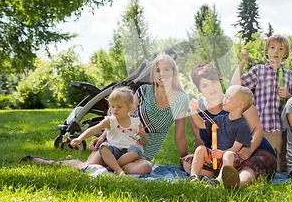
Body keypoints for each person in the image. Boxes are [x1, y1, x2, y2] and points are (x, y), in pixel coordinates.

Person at [21, 53, 189, 175]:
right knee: (84, 166)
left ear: (173, 72)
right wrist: (102, 138)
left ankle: (109, 169)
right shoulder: (144, 91)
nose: (162, 74)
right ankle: (44, 161)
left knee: (144, 168)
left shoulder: (180, 99)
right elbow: (118, 116)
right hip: (115, 143)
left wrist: (183, 160)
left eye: (166, 70)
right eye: (158, 70)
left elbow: (180, 135)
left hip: (138, 153)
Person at [181, 63, 277, 188]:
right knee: (188, 161)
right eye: (205, 85)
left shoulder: (238, 100)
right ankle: (221, 175)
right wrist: (208, 156)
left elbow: (257, 129)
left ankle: (238, 182)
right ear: (199, 88)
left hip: (250, 151)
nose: (211, 88)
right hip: (222, 155)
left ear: (220, 81)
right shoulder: (197, 107)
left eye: (214, 82)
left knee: (252, 163)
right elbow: (200, 141)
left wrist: (250, 149)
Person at [231, 34, 292, 172]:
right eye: (272, 48)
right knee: (263, 160)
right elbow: (235, 84)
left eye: (280, 49)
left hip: (283, 128)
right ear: (266, 51)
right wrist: (243, 61)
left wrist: (288, 95)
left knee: (282, 165)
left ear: (285, 54)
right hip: (262, 128)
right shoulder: (258, 71)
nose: (276, 51)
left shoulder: (290, 75)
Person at [70, 86, 147, 175]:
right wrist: (80, 138)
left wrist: (142, 136)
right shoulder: (110, 121)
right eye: (112, 106)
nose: (115, 109)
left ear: (129, 107)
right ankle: (118, 169)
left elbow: (143, 142)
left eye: (119, 106)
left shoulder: (136, 122)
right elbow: (94, 130)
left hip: (129, 154)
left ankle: (111, 167)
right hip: (113, 151)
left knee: (136, 152)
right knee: (104, 147)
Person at [188, 85, 253, 188]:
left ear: (240, 104)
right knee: (200, 149)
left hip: (233, 159)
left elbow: (235, 148)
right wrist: (192, 109)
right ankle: (193, 177)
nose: (224, 99)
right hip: (216, 156)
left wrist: (222, 154)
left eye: (228, 97)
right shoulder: (220, 119)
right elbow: (200, 124)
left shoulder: (243, 126)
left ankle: (219, 180)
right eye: (225, 96)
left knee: (229, 155)